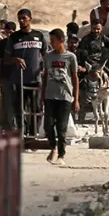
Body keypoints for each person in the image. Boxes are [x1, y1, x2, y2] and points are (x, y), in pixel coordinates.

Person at [1, 8, 47, 134]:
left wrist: (44, 70)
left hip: (36, 79)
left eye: (24, 18)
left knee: (36, 108)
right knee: (20, 109)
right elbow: (5, 59)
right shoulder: (14, 37)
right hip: (19, 80)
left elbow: (45, 55)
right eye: (19, 19)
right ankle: (22, 133)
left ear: (30, 19)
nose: (21, 21)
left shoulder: (39, 36)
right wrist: (15, 59)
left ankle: (33, 133)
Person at [42, 28, 77, 162]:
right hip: (50, 96)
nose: (51, 43)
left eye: (53, 41)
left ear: (61, 41)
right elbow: (45, 76)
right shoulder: (48, 56)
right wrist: (42, 94)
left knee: (61, 128)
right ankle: (53, 148)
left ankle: (61, 154)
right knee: (48, 125)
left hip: (65, 97)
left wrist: (76, 99)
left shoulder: (70, 57)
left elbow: (74, 79)